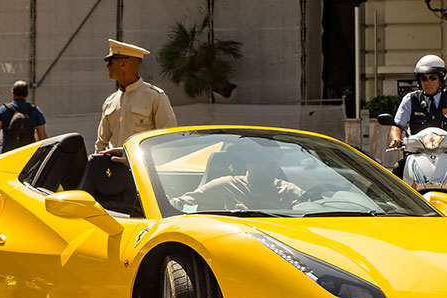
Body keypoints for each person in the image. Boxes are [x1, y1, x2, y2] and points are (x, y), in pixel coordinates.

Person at [387, 54, 447, 216]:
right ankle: (398, 215)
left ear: (440, 79)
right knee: (397, 169)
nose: (428, 82)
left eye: (432, 78)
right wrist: (396, 139)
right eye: (424, 78)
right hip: (417, 154)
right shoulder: (410, 100)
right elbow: (397, 125)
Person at [95, 39, 177, 154]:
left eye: (110, 62)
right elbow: (101, 143)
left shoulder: (155, 98)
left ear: (123, 64)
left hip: (141, 170)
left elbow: (168, 141)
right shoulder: (110, 101)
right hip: (113, 169)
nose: (107, 67)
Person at [171, 144, 302, 212]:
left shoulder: (289, 191)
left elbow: (313, 205)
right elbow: (180, 204)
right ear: (249, 163)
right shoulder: (225, 185)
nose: (275, 165)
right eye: (265, 160)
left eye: (276, 160)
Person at [0, 80, 46, 156]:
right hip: (29, 154)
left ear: (13, 93)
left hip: (8, 154)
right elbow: (42, 136)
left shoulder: (4, 109)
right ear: (27, 94)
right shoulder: (35, 110)